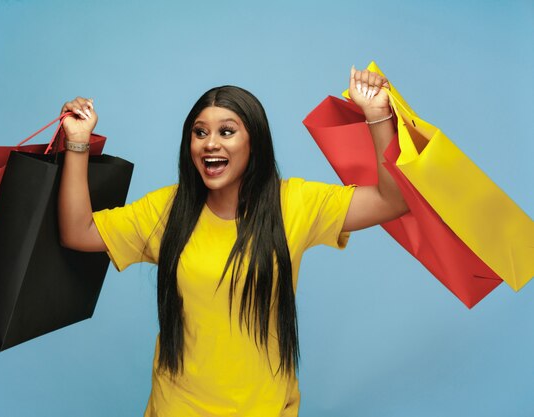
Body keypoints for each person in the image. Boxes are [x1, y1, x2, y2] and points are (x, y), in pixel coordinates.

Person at [58, 67, 408, 416]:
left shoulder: (295, 203)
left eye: (227, 131)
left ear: (254, 142)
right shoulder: (166, 211)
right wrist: (77, 141)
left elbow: (391, 201)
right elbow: (79, 232)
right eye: (200, 133)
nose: (211, 143)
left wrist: (377, 116)